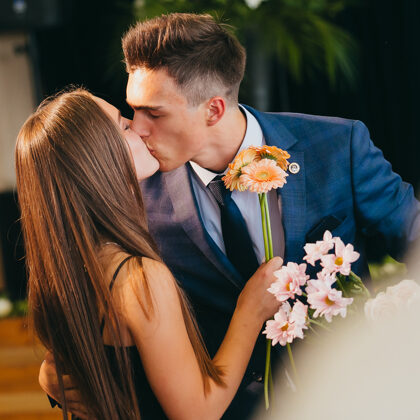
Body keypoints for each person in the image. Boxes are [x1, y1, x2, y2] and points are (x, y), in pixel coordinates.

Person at [40, 12, 420, 419]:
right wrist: (54, 371)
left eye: (155, 113)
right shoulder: (133, 196)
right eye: (134, 110)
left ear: (214, 110)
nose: (138, 128)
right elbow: (90, 309)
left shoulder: (337, 146)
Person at [16, 88, 283, 420]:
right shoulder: (139, 278)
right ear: (100, 160)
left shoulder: (66, 270)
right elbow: (197, 413)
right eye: (123, 125)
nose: (138, 127)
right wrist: (250, 312)